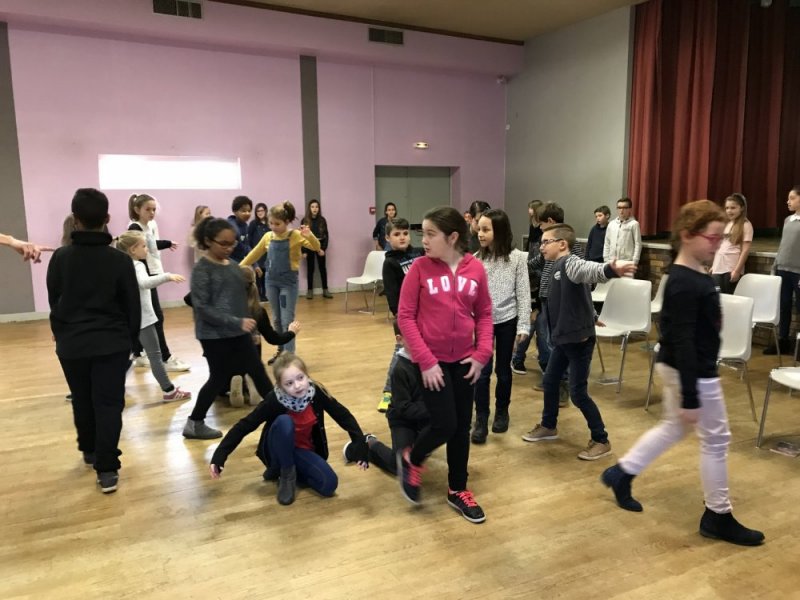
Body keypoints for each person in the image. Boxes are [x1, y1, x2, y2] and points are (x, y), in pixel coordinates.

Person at [601, 200, 765, 547]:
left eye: (721, 238)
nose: (718, 244)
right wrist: (691, 394)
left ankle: (622, 472)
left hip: (684, 368)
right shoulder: (685, 283)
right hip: (693, 371)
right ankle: (718, 515)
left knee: (674, 427)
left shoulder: (689, 276)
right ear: (688, 235)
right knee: (716, 440)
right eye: (713, 238)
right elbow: (683, 339)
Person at [396, 206, 493, 524]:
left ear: (452, 237)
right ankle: (413, 457)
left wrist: (482, 353)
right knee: (444, 424)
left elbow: (485, 313)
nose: (422, 240)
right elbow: (405, 317)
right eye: (422, 233)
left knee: (462, 427)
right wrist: (425, 361)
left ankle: (458, 489)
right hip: (431, 362)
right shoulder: (419, 268)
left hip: (465, 360)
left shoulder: (475, 269)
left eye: (430, 234)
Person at [47, 188, 140, 493]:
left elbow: (54, 300)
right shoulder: (120, 260)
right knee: (109, 403)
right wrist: (130, 342)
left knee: (82, 398)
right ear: (107, 218)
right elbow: (132, 307)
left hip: (72, 344)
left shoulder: (61, 257)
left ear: (75, 220)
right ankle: (107, 468)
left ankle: (89, 448)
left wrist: (62, 333)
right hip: (112, 343)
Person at [521, 223, 634, 460]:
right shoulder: (555, 266)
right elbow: (580, 294)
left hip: (579, 341)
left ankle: (601, 439)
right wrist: (592, 314)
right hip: (564, 340)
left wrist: (609, 269)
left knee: (578, 393)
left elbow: (587, 270)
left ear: (562, 244)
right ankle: (549, 425)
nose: (541, 247)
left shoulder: (570, 263)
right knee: (550, 381)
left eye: (546, 242)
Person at [209, 353, 369, 506]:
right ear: (280, 385)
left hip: (303, 451)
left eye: (300, 378)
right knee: (285, 422)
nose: (297, 385)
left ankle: (285, 471)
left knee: (329, 485)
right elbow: (245, 425)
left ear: (306, 375)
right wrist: (219, 455)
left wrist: (360, 446)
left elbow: (343, 416)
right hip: (277, 451)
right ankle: (286, 472)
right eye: (289, 383)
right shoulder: (274, 400)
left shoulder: (316, 392)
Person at [185, 217, 276, 440]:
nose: (228, 248)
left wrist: (249, 328)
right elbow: (202, 307)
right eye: (223, 243)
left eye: (232, 243)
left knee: (258, 371)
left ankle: (280, 413)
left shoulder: (235, 267)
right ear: (208, 241)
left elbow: (240, 303)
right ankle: (194, 423)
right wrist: (236, 322)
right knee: (218, 378)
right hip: (213, 335)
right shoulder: (202, 269)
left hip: (238, 332)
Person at [471, 208, 531, 443]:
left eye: (486, 229)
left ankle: (502, 412)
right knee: (482, 373)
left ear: (500, 231)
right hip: (482, 323)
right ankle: (481, 418)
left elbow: (523, 294)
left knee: (503, 372)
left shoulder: (518, 258)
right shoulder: (475, 260)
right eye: (479, 229)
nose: (480, 233)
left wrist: (523, 325)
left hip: (508, 320)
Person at [115, 231, 192, 403]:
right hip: (144, 319)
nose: (147, 249)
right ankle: (169, 391)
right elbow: (144, 283)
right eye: (143, 246)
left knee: (126, 357)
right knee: (155, 357)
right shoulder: (137, 266)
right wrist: (167, 276)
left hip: (129, 319)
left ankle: (111, 386)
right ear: (132, 249)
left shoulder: (120, 266)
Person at [241, 202, 320, 363]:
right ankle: (281, 351)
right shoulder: (268, 237)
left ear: (287, 222)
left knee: (287, 320)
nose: (273, 227)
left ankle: (289, 358)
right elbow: (254, 254)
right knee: (276, 319)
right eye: (271, 223)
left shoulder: (295, 235)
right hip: (271, 282)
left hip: (288, 283)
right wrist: (239, 268)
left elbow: (316, 247)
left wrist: (309, 235)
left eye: (277, 224)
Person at [128, 193, 190, 372]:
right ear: (137, 209)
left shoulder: (150, 225)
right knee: (156, 317)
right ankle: (165, 357)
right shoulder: (134, 227)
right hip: (144, 276)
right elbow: (142, 250)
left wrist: (166, 243)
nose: (152, 212)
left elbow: (151, 246)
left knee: (146, 316)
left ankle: (138, 353)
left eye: (154, 209)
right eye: (148, 209)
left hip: (151, 273)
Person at [359, 322, 429, 474]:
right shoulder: (399, 369)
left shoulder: (430, 359)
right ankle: (370, 444)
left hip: (422, 417)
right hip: (402, 420)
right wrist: (434, 408)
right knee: (401, 466)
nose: (420, 340)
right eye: (413, 336)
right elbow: (404, 408)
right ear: (400, 339)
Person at [231, 265, 300, 407]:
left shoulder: (225, 307)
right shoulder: (258, 311)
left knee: (222, 374)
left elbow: (188, 299)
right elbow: (273, 339)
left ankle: (232, 383)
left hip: (228, 358)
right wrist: (291, 332)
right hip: (252, 358)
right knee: (253, 345)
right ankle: (250, 382)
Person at [377, 217, 423, 413]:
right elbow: (392, 294)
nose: (402, 237)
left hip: (426, 315)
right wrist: (400, 318)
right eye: (397, 234)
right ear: (388, 238)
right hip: (407, 318)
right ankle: (388, 392)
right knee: (401, 354)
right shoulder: (390, 263)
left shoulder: (419, 254)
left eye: (405, 233)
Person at [764, 186, 800, 356]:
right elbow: (783, 245)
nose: (788, 201)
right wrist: (775, 265)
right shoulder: (788, 220)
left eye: (792, 198)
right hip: (783, 269)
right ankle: (783, 340)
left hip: (798, 272)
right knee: (784, 306)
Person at [511, 200, 544, 375]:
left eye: (532, 208)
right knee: (532, 319)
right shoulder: (533, 227)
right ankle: (518, 358)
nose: (529, 211)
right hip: (534, 278)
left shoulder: (544, 232)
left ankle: (541, 360)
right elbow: (534, 253)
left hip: (541, 279)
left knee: (539, 322)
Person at [709, 194, 752, 295]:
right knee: (718, 297)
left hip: (731, 268)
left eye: (733, 208)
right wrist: (714, 265)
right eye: (727, 208)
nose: (729, 211)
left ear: (741, 208)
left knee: (728, 297)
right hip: (718, 268)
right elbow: (720, 247)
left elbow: (745, 250)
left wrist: (737, 271)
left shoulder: (746, 225)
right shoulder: (727, 224)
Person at [301, 199, 332, 299]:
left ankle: (325, 290)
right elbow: (301, 237)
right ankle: (309, 291)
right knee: (310, 269)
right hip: (309, 246)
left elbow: (326, 235)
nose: (315, 209)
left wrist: (323, 249)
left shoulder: (322, 220)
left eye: (316, 207)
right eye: (312, 207)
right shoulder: (305, 220)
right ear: (309, 208)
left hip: (320, 246)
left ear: (319, 208)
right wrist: (304, 251)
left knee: (322, 268)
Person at [603, 197, 642, 266]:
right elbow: (607, 242)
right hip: (612, 261)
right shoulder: (611, 224)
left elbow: (638, 244)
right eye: (619, 207)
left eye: (624, 208)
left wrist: (635, 261)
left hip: (627, 262)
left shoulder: (634, 224)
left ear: (629, 209)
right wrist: (606, 259)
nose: (621, 210)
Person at [247, 202, 269, 300]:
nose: (260, 212)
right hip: (257, 253)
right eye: (258, 211)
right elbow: (249, 239)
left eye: (262, 210)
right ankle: (259, 295)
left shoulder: (269, 223)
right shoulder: (253, 224)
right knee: (258, 275)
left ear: (266, 211)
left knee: (265, 275)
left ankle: (264, 294)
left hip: (267, 254)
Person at [227, 195, 253, 264]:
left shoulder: (245, 226)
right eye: (243, 211)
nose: (247, 213)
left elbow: (247, 246)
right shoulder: (230, 225)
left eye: (249, 211)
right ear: (235, 211)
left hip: (240, 263)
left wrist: (255, 264)